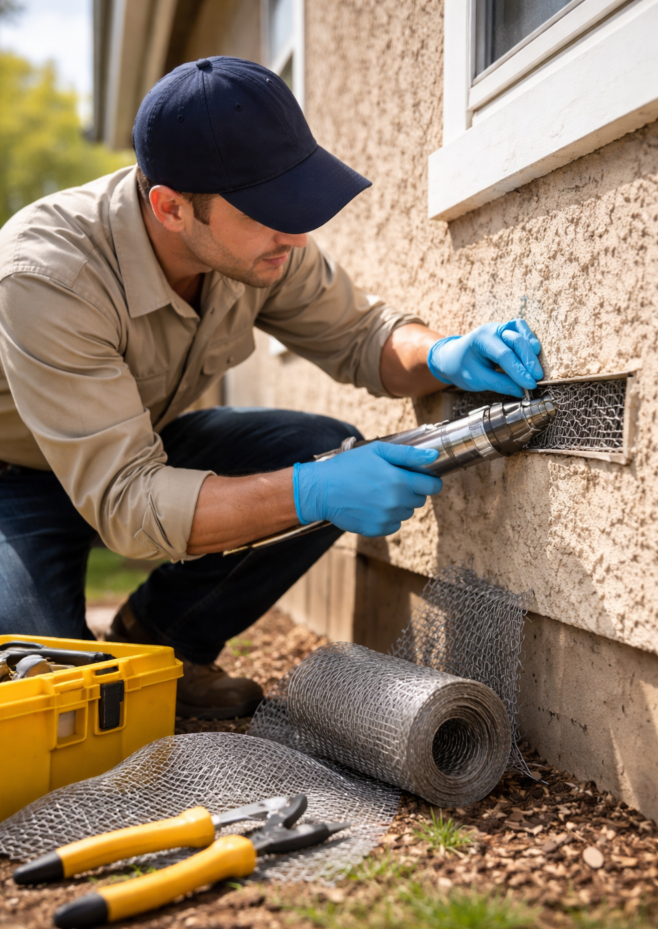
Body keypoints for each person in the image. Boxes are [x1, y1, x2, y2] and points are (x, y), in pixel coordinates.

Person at [0, 57, 544, 719]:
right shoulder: (45, 275)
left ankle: (163, 646)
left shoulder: (256, 245)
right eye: (266, 211)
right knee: (50, 701)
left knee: (322, 445)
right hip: (14, 478)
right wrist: (311, 491)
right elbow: (128, 505)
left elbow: (362, 335)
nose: (295, 233)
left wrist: (439, 353)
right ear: (171, 208)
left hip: (135, 445)